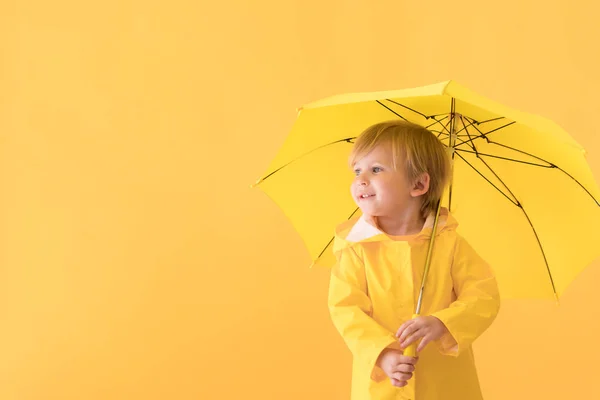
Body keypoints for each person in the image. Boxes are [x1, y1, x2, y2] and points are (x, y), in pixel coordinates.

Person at [328, 120, 500, 399]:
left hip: (445, 385)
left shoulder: (448, 243)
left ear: (418, 184)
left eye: (376, 169)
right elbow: (346, 310)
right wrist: (382, 354)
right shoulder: (357, 248)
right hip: (383, 386)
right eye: (357, 170)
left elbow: (484, 294)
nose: (361, 179)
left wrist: (443, 322)